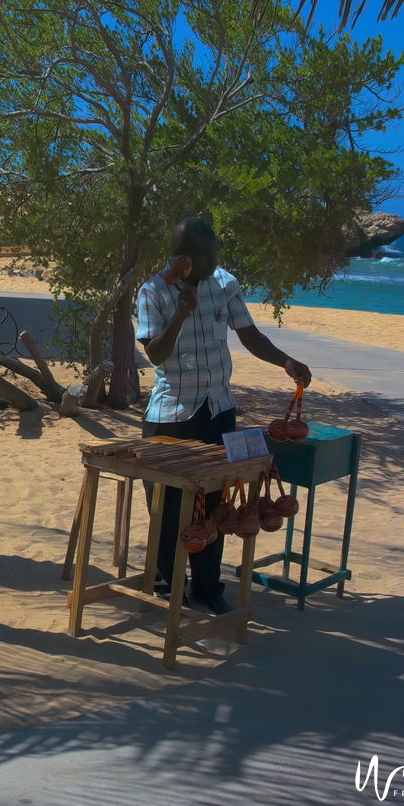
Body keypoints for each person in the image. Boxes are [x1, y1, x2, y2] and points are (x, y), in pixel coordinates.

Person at [136, 216, 313, 616]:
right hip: (172, 415)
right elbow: (154, 355)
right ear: (184, 257)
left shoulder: (224, 283)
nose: (216, 258)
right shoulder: (153, 292)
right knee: (168, 506)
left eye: (216, 250)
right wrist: (180, 315)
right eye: (208, 253)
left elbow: (249, 335)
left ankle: (208, 585)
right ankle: (171, 581)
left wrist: (286, 361)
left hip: (218, 410)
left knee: (216, 504)